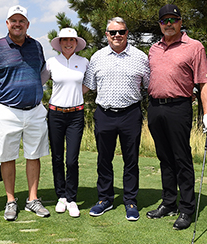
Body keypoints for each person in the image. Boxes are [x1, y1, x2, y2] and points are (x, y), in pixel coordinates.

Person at [146, 4, 207, 230]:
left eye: (173, 20)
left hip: (179, 108)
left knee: (181, 158)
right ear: (159, 24)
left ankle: (186, 208)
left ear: (180, 21)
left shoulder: (194, 47)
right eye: (164, 21)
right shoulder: (153, 49)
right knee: (164, 157)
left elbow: (204, 82)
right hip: (155, 107)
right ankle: (168, 203)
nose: (169, 24)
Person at [0, 5, 50, 221]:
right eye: (13, 20)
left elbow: (40, 71)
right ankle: (11, 201)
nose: (17, 24)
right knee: (7, 156)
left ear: (27, 24)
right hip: (7, 111)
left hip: (35, 110)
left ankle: (32, 199)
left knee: (34, 155)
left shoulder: (37, 46)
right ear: (7, 24)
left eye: (21, 20)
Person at [83, 17, 150, 221]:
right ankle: (105, 199)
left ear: (127, 33)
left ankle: (130, 200)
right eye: (113, 33)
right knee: (104, 158)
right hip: (104, 113)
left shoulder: (140, 57)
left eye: (121, 32)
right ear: (107, 35)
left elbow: (148, 86)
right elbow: (87, 87)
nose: (117, 35)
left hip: (131, 113)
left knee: (131, 159)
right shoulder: (97, 57)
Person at [46, 28, 89, 218]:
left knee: (72, 159)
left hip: (76, 115)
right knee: (57, 157)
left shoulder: (84, 62)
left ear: (76, 43)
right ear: (60, 42)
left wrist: (76, 95)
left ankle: (71, 198)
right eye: (65, 40)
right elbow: (40, 83)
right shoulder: (51, 63)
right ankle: (61, 196)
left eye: (72, 40)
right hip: (55, 114)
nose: (68, 43)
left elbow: (88, 85)